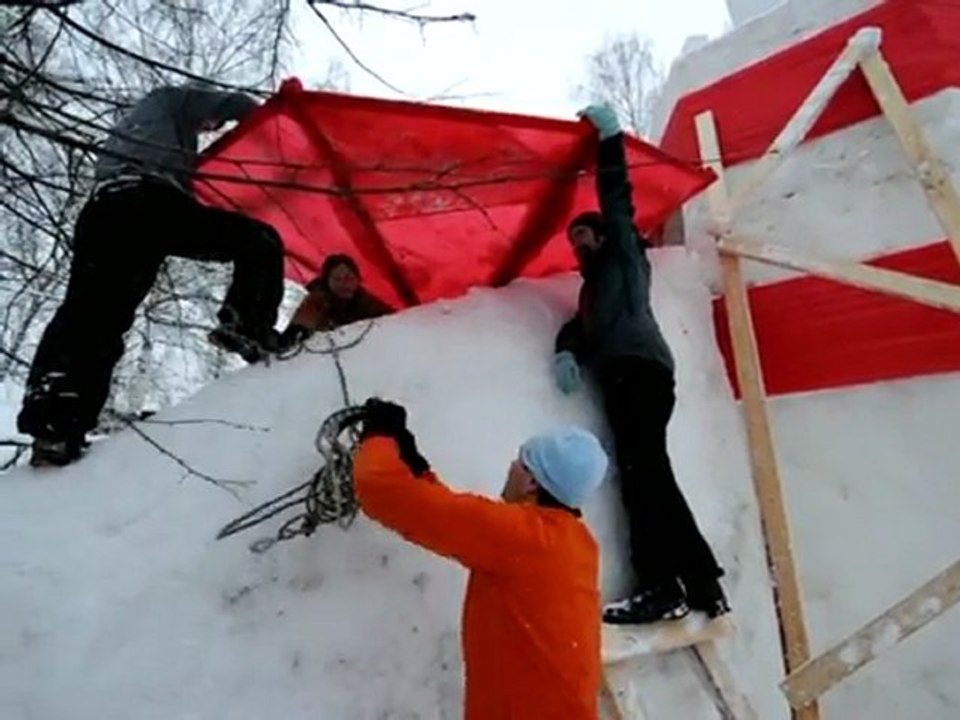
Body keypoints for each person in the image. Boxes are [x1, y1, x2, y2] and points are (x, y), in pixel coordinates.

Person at [17, 81, 285, 467]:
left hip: (103, 215)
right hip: (147, 204)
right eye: (208, 123)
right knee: (259, 240)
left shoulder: (129, 137)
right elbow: (236, 104)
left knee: (96, 314)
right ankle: (247, 325)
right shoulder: (168, 101)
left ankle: (56, 424)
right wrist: (276, 126)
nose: (211, 126)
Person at [553, 104, 729, 625]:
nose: (579, 243)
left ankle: (660, 586)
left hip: (640, 370)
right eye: (574, 240)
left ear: (603, 236)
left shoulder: (624, 257)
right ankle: (701, 584)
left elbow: (617, 200)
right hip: (627, 373)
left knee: (641, 477)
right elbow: (584, 328)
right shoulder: (591, 290)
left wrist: (610, 143)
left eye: (585, 234)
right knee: (652, 473)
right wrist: (567, 348)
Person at [352, 398, 608, 719]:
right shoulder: (573, 543)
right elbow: (450, 516)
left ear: (532, 481)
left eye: (521, 460)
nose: (511, 466)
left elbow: (381, 490)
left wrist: (379, 436)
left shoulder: (523, 537)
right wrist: (417, 468)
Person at [279, 254, 393, 348]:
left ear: (357, 279)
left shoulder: (363, 300)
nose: (344, 284)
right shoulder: (313, 302)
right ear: (327, 282)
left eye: (349, 278)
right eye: (337, 279)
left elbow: (391, 318)